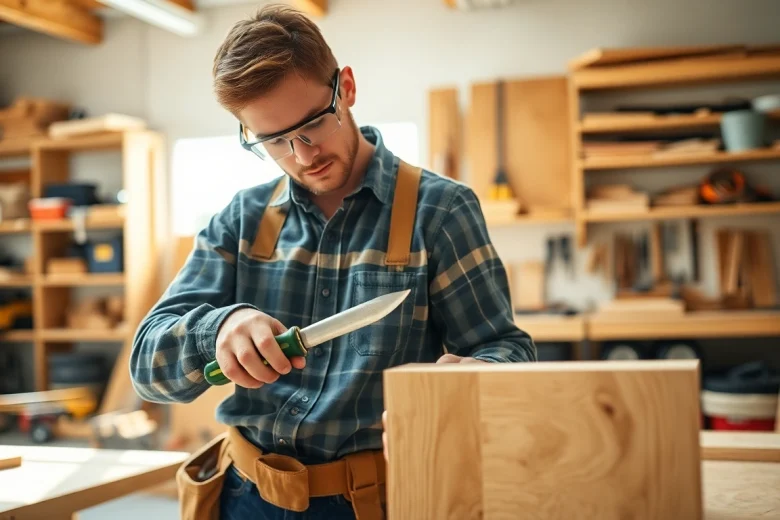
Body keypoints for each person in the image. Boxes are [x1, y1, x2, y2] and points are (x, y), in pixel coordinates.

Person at [129, 4, 536, 519]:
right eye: (273, 141)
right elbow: (147, 368)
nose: (303, 156)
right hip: (244, 496)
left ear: (345, 87)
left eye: (312, 125)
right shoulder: (241, 219)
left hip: (374, 502)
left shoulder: (439, 211)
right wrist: (219, 328)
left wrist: (479, 372)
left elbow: (506, 348)